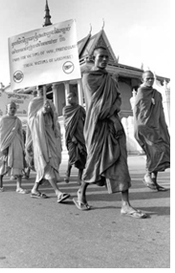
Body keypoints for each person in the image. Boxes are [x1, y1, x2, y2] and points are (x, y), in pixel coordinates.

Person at [73, 46, 147, 218]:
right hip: (97, 127)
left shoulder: (111, 80)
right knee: (94, 163)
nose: (105, 60)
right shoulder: (88, 77)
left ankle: (125, 204)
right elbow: (97, 106)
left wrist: (115, 115)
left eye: (107, 57)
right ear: (93, 57)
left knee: (121, 162)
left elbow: (118, 100)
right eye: (101, 57)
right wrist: (112, 115)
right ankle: (81, 193)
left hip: (114, 126)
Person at [26, 85, 70, 202]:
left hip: (51, 136)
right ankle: (58, 192)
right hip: (40, 137)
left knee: (49, 162)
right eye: (40, 87)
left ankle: (35, 189)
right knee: (46, 163)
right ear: (36, 90)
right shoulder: (33, 103)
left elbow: (55, 119)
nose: (42, 89)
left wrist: (50, 112)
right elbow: (31, 121)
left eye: (44, 87)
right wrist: (41, 112)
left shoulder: (50, 102)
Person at [133, 70, 170, 191]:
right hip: (145, 128)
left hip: (156, 127)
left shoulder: (156, 93)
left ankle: (154, 183)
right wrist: (147, 127)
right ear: (142, 79)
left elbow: (159, 112)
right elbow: (140, 113)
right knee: (155, 152)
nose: (150, 81)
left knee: (158, 152)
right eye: (148, 78)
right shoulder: (141, 92)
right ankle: (148, 175)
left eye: (152, 78)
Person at [0, 101, 28, 194]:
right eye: (11, 108)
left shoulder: (18, 120)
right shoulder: (3, 120)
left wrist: (22, 146)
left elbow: (21, 134)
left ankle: (19, 186)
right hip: (6, 145)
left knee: (18, 165)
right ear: (7, 109)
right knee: (3, 165)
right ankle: (0, 184)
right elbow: (0, 135)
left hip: (17, 144)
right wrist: (3, 147)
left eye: (14, 108)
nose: (13, 109)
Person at [62, 92, 87, 184]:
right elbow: (66, 124)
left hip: (81, 136)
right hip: (71, 136)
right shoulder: (66, 109)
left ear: (75, 98)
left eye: (70, 97)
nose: (68, 99)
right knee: (72, 155)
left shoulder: (80, 109)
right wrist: (72, 137)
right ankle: (68, 172)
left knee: (82, 156)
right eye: (67, 97)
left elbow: (86, 121)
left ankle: (79, 178)